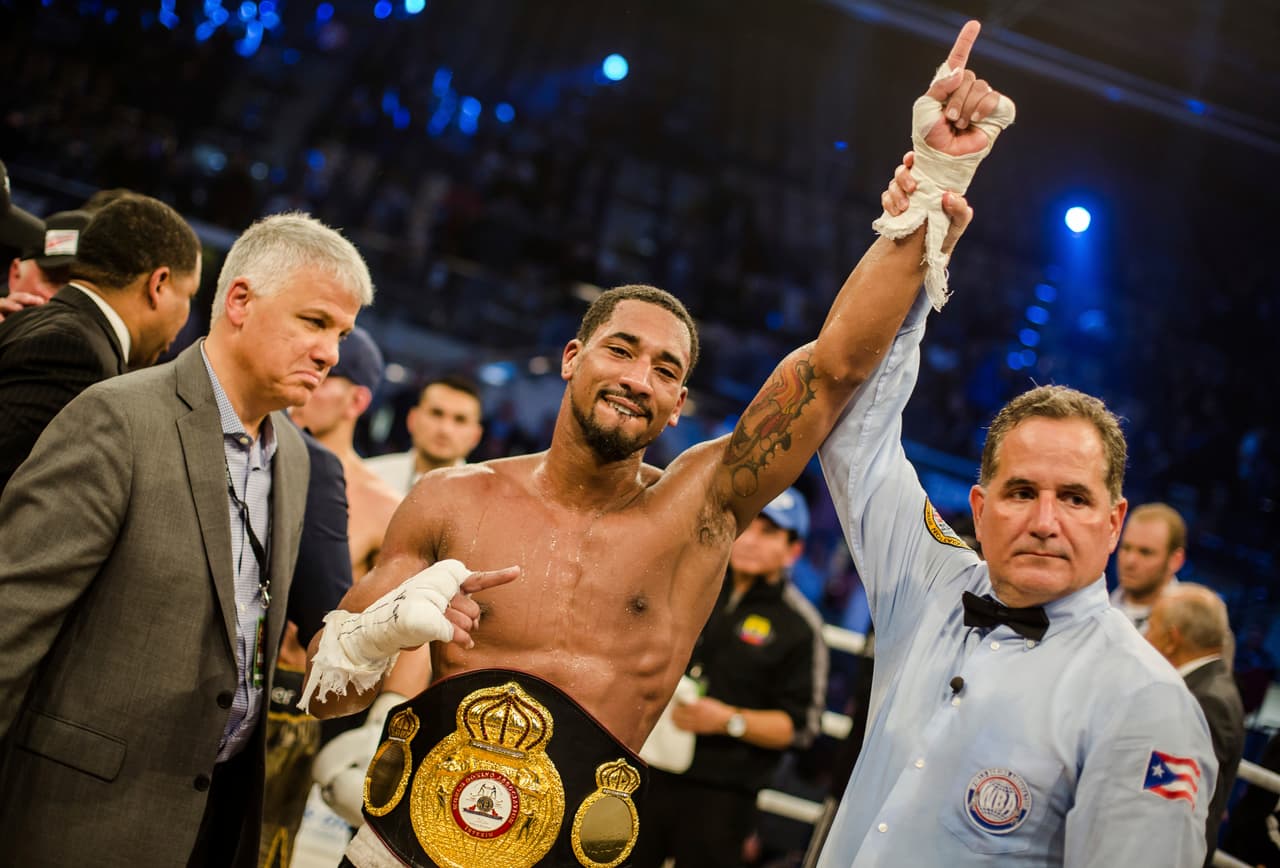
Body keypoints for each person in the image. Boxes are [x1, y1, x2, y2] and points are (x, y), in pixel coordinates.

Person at [296, 22, 1000, 868]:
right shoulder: (451, 500)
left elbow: (836, 367)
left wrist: (934, 179)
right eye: (620, 349)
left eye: (665, 369)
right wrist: (380, 633)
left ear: (677, 406)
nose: (638, 375)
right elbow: (328, 694)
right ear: (571, 359)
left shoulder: (700, 509)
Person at [812, 33, 1217, 865]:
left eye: (1074, 498)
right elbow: (851, 430)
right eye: (1024, 490)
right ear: (980, 505)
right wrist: (931, 198)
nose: (1044, 518)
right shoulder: (929, 582)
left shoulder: (1147, 702)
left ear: (1113, 521)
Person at [0, 211, 397, 867]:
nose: (331, 352)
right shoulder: (119, 418)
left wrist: (384, 629)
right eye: (315, 322)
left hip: (213, 820)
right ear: (239, 301)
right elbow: (10, 622)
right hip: (72, 819)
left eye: (343, 332)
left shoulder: (295, 458)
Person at [639, 486, 828, 867]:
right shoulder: (688, 585)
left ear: (794, 550)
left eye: (770, 532)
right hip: (645, 773)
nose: (752, 541)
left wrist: (729, 721)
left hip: (723, 795)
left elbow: (800, 727)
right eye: (748, 526)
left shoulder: (801, 627)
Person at [0, 193, 203, 492]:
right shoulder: (76, 351)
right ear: (158, 284)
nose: (186, 315)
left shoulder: (52, 327)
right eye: (189, 295)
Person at [1146, 583, 1245, 867]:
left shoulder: (1206, 700)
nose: (1143, 637)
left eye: (1151, 626)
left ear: (1171, 639)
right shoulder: (1206, 686)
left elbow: (1178, 804)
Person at [366, 373, 484, 495]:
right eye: (436, 413)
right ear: (412, 419)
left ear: (476, 436)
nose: (445, 429)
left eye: (460, 420)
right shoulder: (368, 478)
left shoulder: (485, 500)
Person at [1112, 502, 1187, 631]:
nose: (1130, 561)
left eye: (1145, 552)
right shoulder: (1091, 609)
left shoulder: (1192, 629)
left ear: (1175, 561)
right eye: (1126, 547)